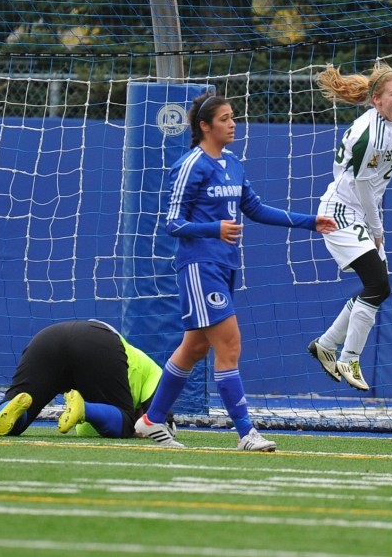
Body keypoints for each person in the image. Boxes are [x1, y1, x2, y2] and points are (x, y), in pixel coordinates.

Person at [133, 92, 336, 450]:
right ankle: (247, 433)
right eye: (225, 119)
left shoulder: (232, 163)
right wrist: (214, 229)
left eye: (232, 117)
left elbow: (254, 209)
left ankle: (150, 420)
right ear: (204, 126)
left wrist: (310, 223)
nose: (232, 124)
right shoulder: (191, 164)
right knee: (230, 344)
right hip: (199, 266)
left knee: (194, 348)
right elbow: (172, 224)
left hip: (225, 265)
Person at [305, 62, 392, 392]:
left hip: (359, 214)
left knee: (377, 288)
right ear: (377, 100)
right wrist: (377, 231)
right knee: (378, 285)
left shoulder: (389, 125)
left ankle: (326, 345)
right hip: (341, 214)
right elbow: (363, 188)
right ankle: (348, 357)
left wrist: (373, 225)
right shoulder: (372, 133)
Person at [0, 319, 170, 439]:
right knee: (125, 424)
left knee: (13, 426)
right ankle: (85, 410)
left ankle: (9, 407)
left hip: (47, 338)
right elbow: (162, 419)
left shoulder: (87, 419)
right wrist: (143, 426)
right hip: (100, 342)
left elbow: (90, 428)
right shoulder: (153, 372)